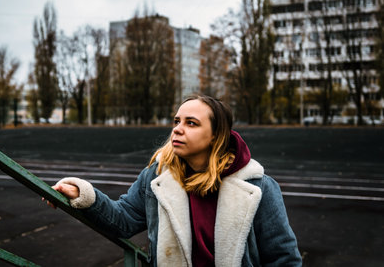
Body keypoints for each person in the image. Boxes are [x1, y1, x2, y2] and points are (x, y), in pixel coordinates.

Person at [45, 95, 302, 266]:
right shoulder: (156, 178)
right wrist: (82, 194)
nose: (177, 129)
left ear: (216, 136)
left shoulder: (259, 188)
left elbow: (284, 259)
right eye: (177, 121)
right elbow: (122, 220)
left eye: (191, 123)